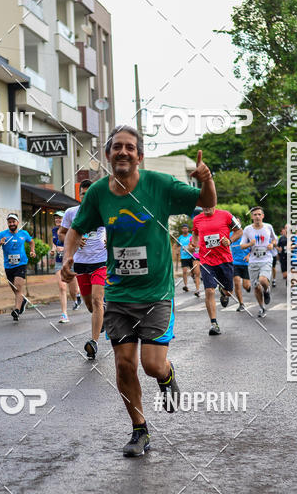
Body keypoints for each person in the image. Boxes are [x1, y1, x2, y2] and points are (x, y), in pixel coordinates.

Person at [61, 125, 216, 457]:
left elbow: (206, 203)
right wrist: (68, 257)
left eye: (130, 148)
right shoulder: (99, 193)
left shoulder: (159, 185)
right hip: (118, 294)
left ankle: (167, 375)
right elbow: (75, 230)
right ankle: (139, 430)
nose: (123, 152)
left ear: (139, 156)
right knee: (123, 364)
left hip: (156, 292)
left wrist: (206, 178)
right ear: (107, 154)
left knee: (151, 364)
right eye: (117, 147)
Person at [59, 180, 107, 359]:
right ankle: (101, 317)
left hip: (101, 260)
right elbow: (61, 233)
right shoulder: (72, 213)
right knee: (89, 304)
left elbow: (115, 228)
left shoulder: (103, 211)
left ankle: (93, 342)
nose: (86, 196)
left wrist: (112, 239)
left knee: (96, 300)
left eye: (89, 193)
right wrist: (75, 240)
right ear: (80, 195)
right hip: (80, 263)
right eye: (83, 193)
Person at [191, 207, 242, 335]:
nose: (206, 207)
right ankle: (214, 324)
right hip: (206, 260)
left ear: (214, 203)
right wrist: (194, 245)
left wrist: (229, 240)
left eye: (209, 204)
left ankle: (224, 293)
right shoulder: (197, 219)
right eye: (204, 205)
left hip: (225, 259)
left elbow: (239, 231)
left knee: (229, 291)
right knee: (209, 290)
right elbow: (195, 235)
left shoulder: (226, 215)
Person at [0, 214, 36, 321]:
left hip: (21, 264)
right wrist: (0, 243)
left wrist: (32, 250)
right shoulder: (3, 234)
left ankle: (16, 310)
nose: (11, 224)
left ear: (17, 222)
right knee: (16, 290)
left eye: (13, 222)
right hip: (8, 266)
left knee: (17, 287)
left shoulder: (23, 233)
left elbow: (31, 241)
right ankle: (23, 301)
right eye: (9, 222)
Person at [240, 207, 277, 318]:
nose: (257, 216)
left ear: (263, 216)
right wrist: (250, 244)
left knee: (263, 280)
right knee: (256, 287)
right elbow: (242, 245)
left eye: (259, 214)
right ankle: (262, 308)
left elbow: (274, 239)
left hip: (266, 259)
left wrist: (272, 244)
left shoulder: (268, 227)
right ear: (252, 217)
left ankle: (266, 290)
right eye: (255, 214)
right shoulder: (247, 229)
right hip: (253, 261)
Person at [50, 211, 80, 323]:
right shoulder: (54, 230)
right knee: (62, 287)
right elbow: (55, 243)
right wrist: (53, 250)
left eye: (60, 218)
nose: (57, 220)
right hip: (59, 262)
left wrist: (65, 249)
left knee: (74, 290)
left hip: (71, 262)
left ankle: (77, 297)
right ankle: (64, 314)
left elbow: (77, 243)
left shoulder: (70, 230)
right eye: (56, 218)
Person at [176, 222, 200, 295]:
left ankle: (194, 278)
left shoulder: (191, 236)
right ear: (181, 229)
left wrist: (191, 248)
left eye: (186, 228)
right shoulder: (180, 238)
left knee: (194, 272)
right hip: (184, 257)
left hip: (191, 256)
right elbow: (177, 246)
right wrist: (177, 251)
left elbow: (193, 244)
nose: (184, 229)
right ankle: (185, 285)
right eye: (183, 228)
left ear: (188, 229)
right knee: (184, 271)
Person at [230, 227, 250, 312]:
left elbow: (254, 246)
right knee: (237, 282)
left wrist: (249, 255)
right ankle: (241, 303)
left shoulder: (246, 234)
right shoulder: (230, 235)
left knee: (246, 285)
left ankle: (248, 287)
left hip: (246, 262)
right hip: (235, 263)